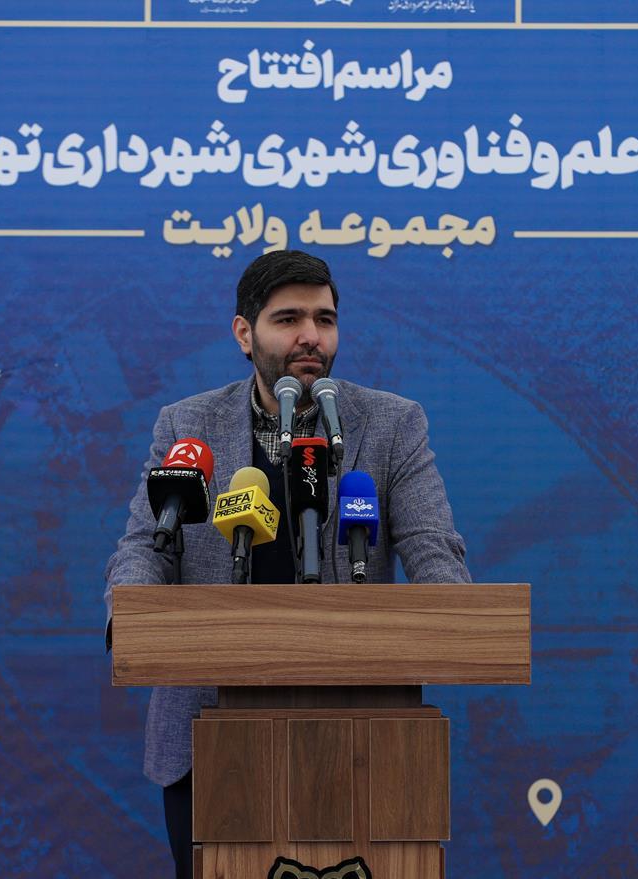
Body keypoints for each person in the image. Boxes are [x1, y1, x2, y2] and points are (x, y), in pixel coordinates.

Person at [103, 250, 471, 879]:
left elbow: (433, 546)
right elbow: (144, 546)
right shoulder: (188, 424)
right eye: (288, 319)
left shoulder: (391, 424)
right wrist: (135, 616)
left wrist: (454, 616)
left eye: (325, 320)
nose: (311, 336)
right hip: (209, 734)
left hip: (364, 734)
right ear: (244, 334)